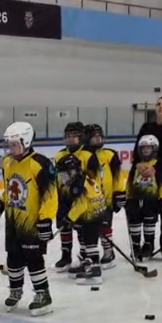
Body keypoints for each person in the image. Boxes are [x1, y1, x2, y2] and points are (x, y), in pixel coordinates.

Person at [0, 121, 57, 316]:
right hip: (13, 221)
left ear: (26, 142)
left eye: (14, 144)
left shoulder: (40, 164)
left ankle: (43, 294)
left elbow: (50, 195)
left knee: (34, 259)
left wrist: (45, 220)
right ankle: (15, 290)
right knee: (13, 258)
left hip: (32, 223)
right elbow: (10, 189)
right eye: (8, 144)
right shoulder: (8, 163)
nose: (10, 148)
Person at [132, 96, 162, 259]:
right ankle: (148, 244)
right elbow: (137, 149)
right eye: (158, 104)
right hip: (145, 174)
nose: (160, 106)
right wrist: (138, 164)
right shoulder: (146, 127)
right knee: (148, 209)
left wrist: (156, 168)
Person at [59, 152, 110, 285]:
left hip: (91, 216)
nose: (63, 178)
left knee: (90, 242)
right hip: (95, 213)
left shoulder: (78, 184)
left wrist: (68, 219)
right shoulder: (82, 179)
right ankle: (87, 263)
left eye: (65, 174)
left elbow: (81, 205)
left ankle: (95, 270)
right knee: (85, 239)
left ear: (73, 172)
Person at [82, 124, 122, 269]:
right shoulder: (83, 155)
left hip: (106, 199)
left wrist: (119, 192)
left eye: (100, 136)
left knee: (105, 226)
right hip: (89, 201)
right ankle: (89, 255)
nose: (98, 140)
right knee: (87, 229)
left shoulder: (109, 154)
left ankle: (108, 251)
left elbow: (117, 176)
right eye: (94, 137)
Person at [125, 135, 162, 261]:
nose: (145, 150)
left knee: (149, 222)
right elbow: (129, 181)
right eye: (143, 148)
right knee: (134, 222)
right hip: (135, 198)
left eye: (148, 148)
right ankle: (135, 246)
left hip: (151, 199)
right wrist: (127, 196)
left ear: (154, 149)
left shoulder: (159, 165)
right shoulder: (136, 165)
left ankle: (148, 245)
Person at [53, 121, 88, 272]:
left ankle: (85, 255)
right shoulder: (59, 155)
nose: (70, 139)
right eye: (67, 136)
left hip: (81, 197)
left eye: (74, 136)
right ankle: (65, 256)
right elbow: (56, 177)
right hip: (63, 197)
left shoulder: (87, 154)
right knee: (64, 226)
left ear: (81, 137)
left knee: (81, 228)